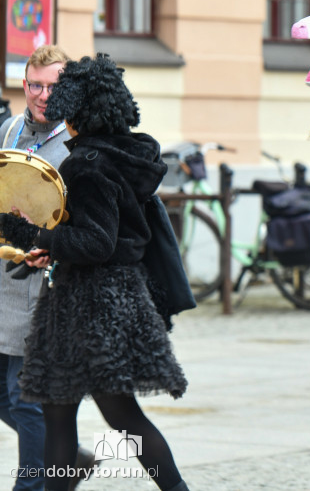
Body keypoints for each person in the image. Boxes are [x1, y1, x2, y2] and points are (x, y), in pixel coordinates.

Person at [0, 54, 189, 491]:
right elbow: (109, 236)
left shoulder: (88, 163)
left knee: (115, 417)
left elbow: (96, 243)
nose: (54, 103)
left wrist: (41, 238)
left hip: (89, 306)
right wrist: (53, 247)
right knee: (62, 411)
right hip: (104, 299)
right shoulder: (122, 152)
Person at [0, 45, 96, 491]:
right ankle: (66, 457)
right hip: (4, 280)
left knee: (25, 401)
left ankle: (33, 484)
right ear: (24, 85)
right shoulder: (9, 129)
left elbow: (88, 223)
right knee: (7, 398)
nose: (41, 95)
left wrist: (53, 246)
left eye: (52, 86)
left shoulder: (79, 141)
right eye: (34, 85)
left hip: (44, 288)